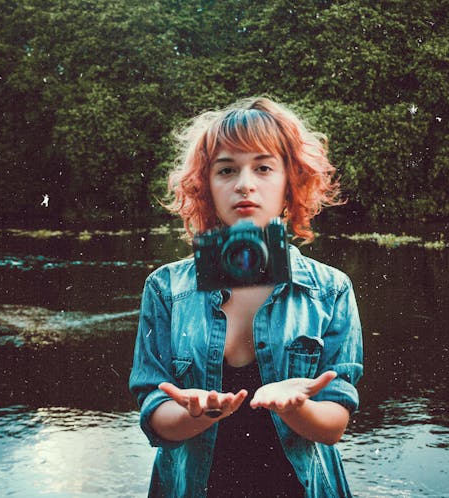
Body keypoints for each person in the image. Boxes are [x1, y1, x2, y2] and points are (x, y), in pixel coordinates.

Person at [129, 97, 363, 497]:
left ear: (291, 181)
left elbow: (334, 423)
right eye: (226, 170)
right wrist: (197, 415)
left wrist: (297, 409)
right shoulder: (165, 288)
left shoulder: (331, 289)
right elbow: (155, 415)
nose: (244, 183)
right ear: (206, 186)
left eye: (263, 167)